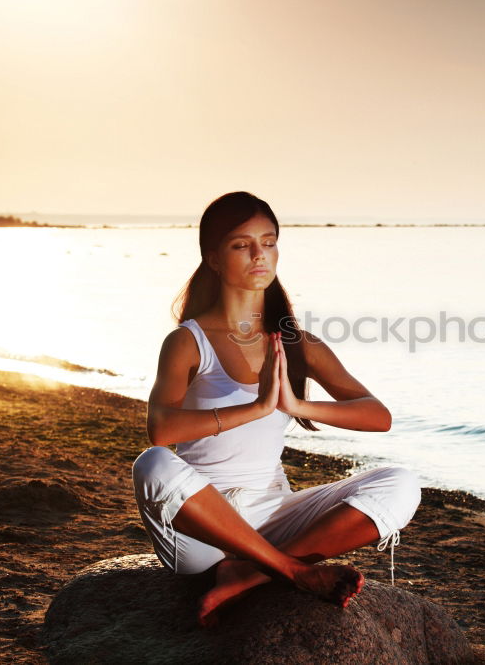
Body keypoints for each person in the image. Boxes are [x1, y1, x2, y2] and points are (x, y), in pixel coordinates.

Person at [131, 191, 421, 627]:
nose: (258, 254)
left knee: (401, 483)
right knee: (152, 465)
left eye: (268, 242)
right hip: (201, 529)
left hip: (273, 514)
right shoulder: (187, 341)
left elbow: (378, 417)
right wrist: (255, 407)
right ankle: (290, 570)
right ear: (213, 258)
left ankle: (249, 573)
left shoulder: (295, 343)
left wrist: (296, 404)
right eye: (240, 244)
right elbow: (161, 429)